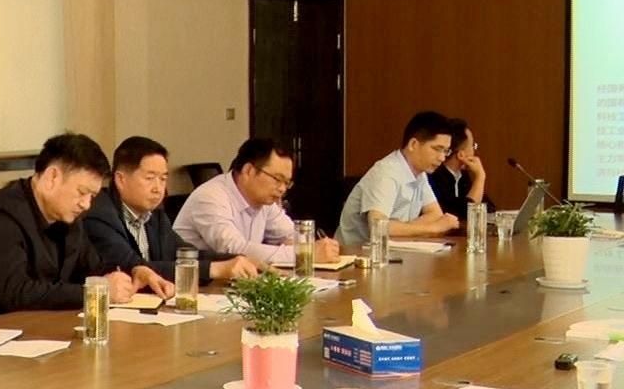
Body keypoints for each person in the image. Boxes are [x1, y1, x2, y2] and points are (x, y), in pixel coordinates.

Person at [0, 133, 174, 318]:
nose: (86, 204)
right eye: (82, 192)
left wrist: (134, 271)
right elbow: (17, 293)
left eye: (92, 196)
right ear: (52, 178)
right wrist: (97, 290)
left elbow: (93, 267)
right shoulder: (0, 217)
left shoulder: (67, 216)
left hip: (42, 331)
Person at [83, 137, 262, 284]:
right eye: (150, 178)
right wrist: (215, 269)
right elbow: (132, 267)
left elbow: (185, 254)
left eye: (163, 179)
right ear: (120, 179)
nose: (158, 188)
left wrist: (238, 260)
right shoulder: (99, 213)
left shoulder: (155, 215)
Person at [173, 138, 343, 268]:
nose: (282, 189)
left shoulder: (265, 201)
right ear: (248, 170)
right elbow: (233, 250)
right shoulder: (210, 197)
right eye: (277, 179)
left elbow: (290, 236)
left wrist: (315, 247)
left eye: (287, 183)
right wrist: (304, 254)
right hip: (195, 286)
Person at [335, 111, 461, 247]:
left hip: (394, 252)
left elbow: (435, 214)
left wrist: (402, 228)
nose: (442, 158)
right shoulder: (386, 173)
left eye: (446, 151)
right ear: (413, 144)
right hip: (354, 254)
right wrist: (433, 228)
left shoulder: (420, 173)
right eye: (437, 149)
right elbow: (378, 229)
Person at [429, 117, 488, 227]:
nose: (474, 151)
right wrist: (480, 177)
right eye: (473, 146)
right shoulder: (433, 176)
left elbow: (488, 207)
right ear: (461, 155)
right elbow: (465, 214)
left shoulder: (463, 176)